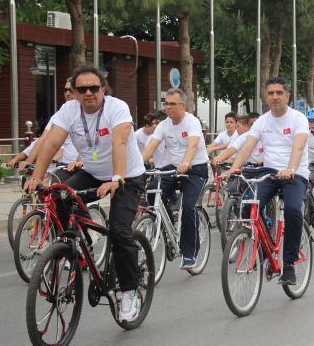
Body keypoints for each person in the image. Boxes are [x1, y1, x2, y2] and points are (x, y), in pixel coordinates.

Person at [24, 65, 147, 322]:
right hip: (92, 172)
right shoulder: (69, 110)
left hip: (126, 175)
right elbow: (52, 142)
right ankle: (75, 248)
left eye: (94, 88)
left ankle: (128, 293)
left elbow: (120, 142)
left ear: (103, 89)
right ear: (76, 93)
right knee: (58, 196)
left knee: (119, 230)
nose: (88, 93)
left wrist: (117, 178)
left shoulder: (117, 107)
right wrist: (37, 178)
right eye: (82, 89)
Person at [226, 77, 309, 285]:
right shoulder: (262, 121)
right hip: (269, 173)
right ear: (266, 97)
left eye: (279, 93)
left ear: (287, 96)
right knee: (247, 207)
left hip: (294, 173)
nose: (275, 97)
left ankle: (288, 264)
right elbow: (247, 147)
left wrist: (290, 168)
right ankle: (264, 249)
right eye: (271, 93)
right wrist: (234, 168)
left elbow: (298, 147)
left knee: (292, 210)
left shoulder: (298, 119)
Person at [142, 88, 209, 270]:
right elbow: (151, 146)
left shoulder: (192, 122)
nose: (168, 107)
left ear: (183, 105)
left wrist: (187, 162)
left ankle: (189, 254)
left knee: (188, 207)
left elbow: (193, 145)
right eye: (166, 103)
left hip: (195, 168)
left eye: (173, 104)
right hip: (174, 168)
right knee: (152, 190)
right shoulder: (164, 125)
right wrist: (138, 166)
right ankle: (168, 227)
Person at [22, 78, 81, 183]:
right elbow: (45, 139)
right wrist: (29, 162)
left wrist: (81, 161)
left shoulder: (91, 110)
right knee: (48, 190)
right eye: (65, 90)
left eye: (71, 90)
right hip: (64, 165)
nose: (67, 93)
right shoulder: (64, 110)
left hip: (83, 165)